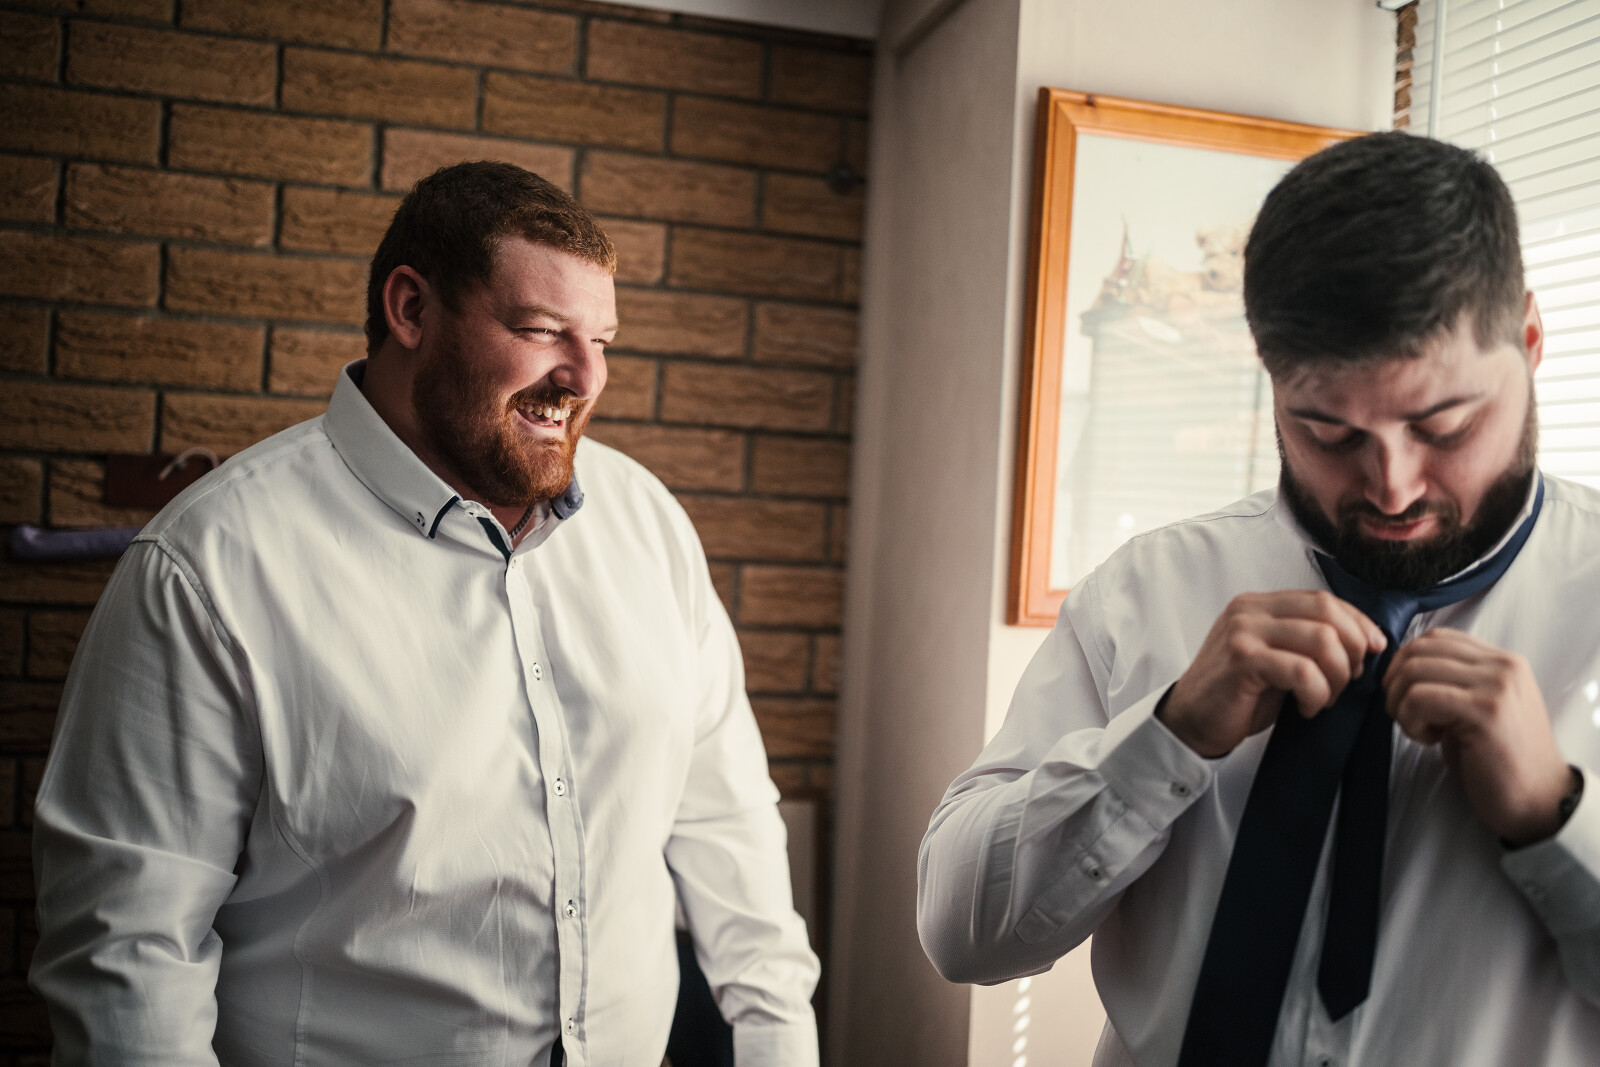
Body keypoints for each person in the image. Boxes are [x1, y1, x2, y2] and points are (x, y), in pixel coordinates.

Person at [30, 162, 819, 1066]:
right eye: (541, 330)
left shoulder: (650, 525)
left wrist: (781, 1048)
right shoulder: (208, 568)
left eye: (601, 339)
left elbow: (728, 823)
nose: (584, 376)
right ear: (411, 310)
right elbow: (128, 958)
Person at [917, 132, 1600, 1067]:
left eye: (1444, 425)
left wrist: (1556, 817)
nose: (1392, 487)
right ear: (1270, 376)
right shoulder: (1150, 591)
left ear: (1529, 340)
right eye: (1329, 432)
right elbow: (957, 932)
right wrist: (1162, 739)